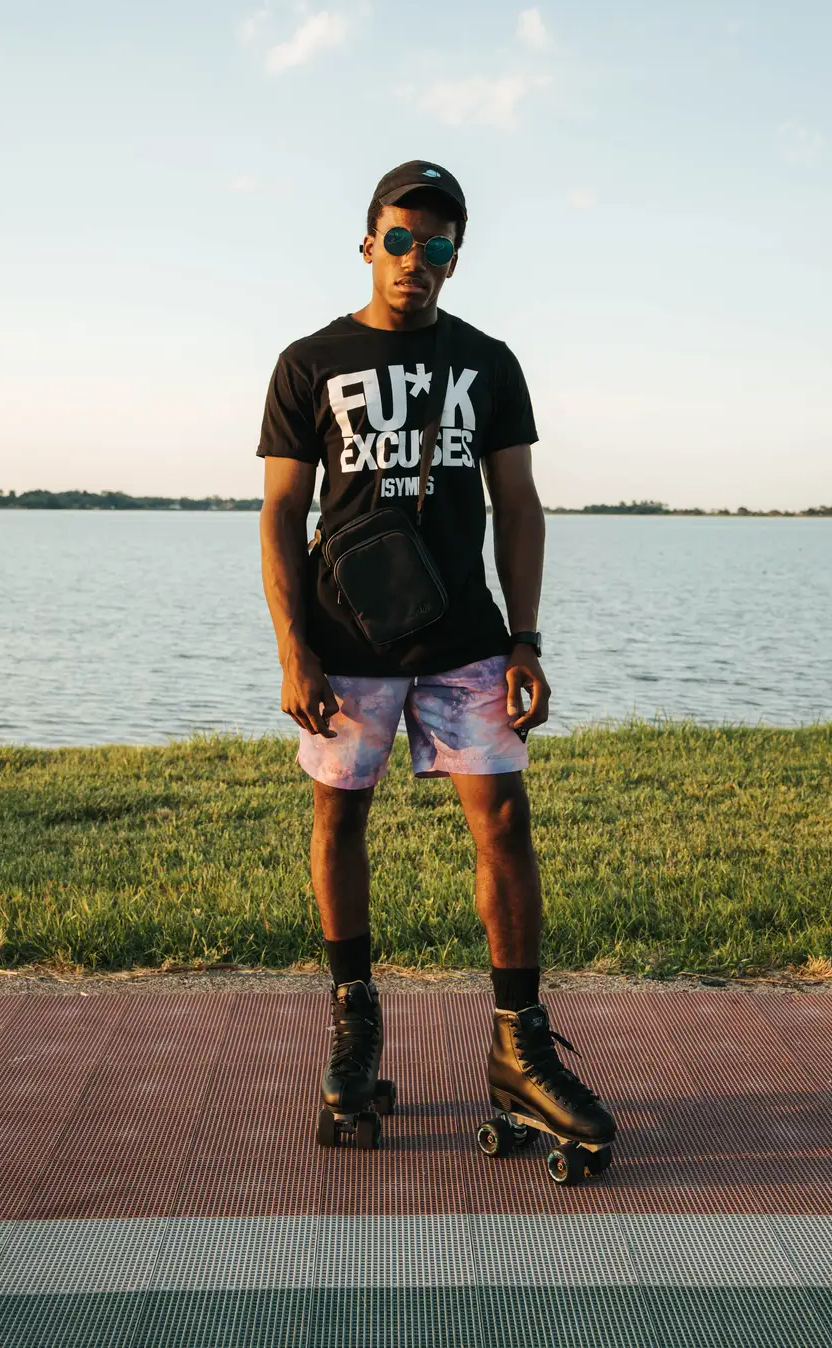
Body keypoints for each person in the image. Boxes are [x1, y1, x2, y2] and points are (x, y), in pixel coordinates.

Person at [258, 160, 615, 1169]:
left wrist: (526, 637)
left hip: (467, 639)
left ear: (459, 258)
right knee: (340, 819)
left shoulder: (489, 362)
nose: (417, 260)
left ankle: (518, 1044)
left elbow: (520, 503)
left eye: (439, 245)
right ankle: (353, 1019)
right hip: (346, 640)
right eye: (401, 239)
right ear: (368, 243)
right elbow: (282, 511)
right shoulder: (307, 361)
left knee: (503, 820)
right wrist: (293, 651)